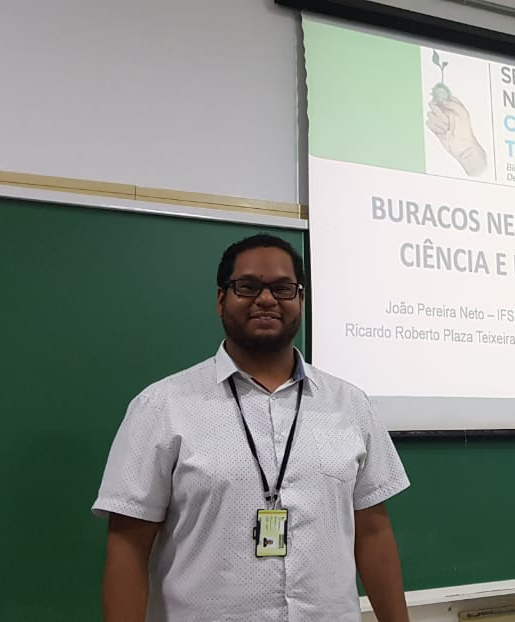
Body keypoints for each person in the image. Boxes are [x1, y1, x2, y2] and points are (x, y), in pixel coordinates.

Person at [93, 234, 410, 622]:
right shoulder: (160, 407)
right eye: (247, 286)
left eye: (282, 288)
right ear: (221, 299)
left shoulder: (351, 405)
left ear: (301, 300)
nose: (266, 299)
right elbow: (128, 547)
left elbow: (373, 533)